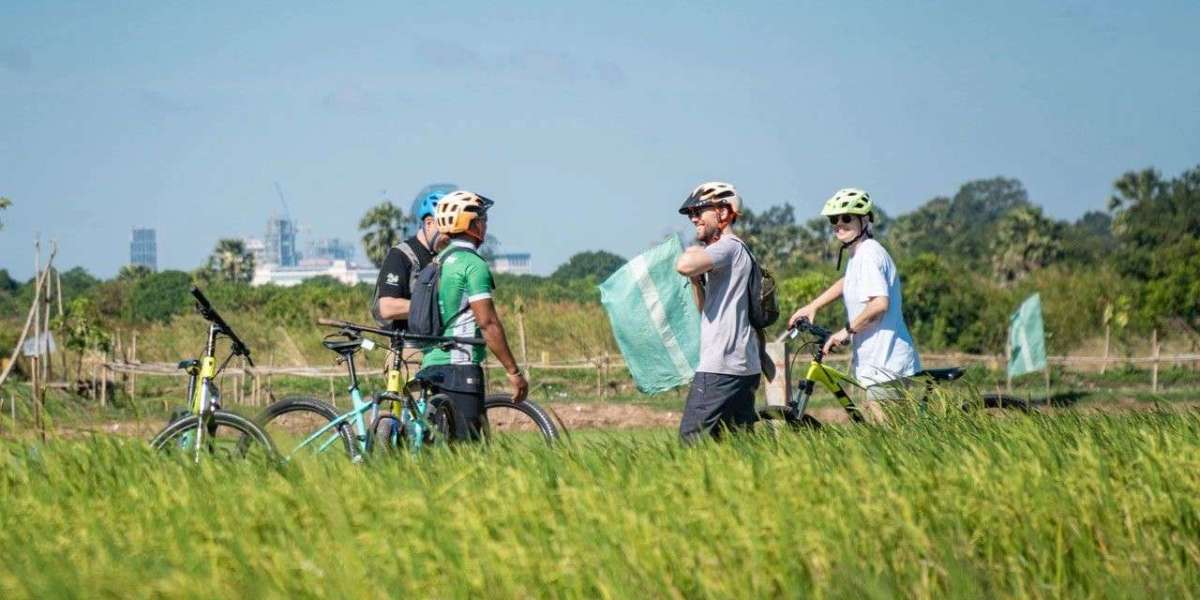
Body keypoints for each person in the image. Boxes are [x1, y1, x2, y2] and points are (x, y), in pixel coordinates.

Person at [787, 188, 921, 411]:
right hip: (876, 360)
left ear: (865, 220)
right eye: (834, 219)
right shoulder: (859, 255)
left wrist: (845, 331)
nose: (839, 224)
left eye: (846, 218)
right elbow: (847, 282)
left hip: (886, 361)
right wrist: (813, 306)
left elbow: (879, 303)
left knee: (888, 439)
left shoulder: (869, 254)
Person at [416, 190, 528, 441]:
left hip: (431, 364)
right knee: (472, 452)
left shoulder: (437, 262)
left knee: (440, 448)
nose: (486, 224)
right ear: (470, 224)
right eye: (482, 219)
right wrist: (513, 371)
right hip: (461, 364)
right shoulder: (472, 265)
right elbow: (488, 323)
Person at [674, 181, 761, 443]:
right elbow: (706, 311)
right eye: (691, 214)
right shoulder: (731, 253)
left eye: (700, 211)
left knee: (690, 441)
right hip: (743, 367)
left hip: (720, 366)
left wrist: (691, 252)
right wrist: (696, 281)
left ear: (723, 213)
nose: (694, 218)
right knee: (736, 446)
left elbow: (685, 265)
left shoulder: (729, 246)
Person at [372, 188, 452, 329]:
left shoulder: (444, 256)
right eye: (445, 232)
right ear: (429, 223)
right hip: (409, 345)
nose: (449, 239)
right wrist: (436, 307)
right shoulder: (401, 255)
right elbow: (387, 308)